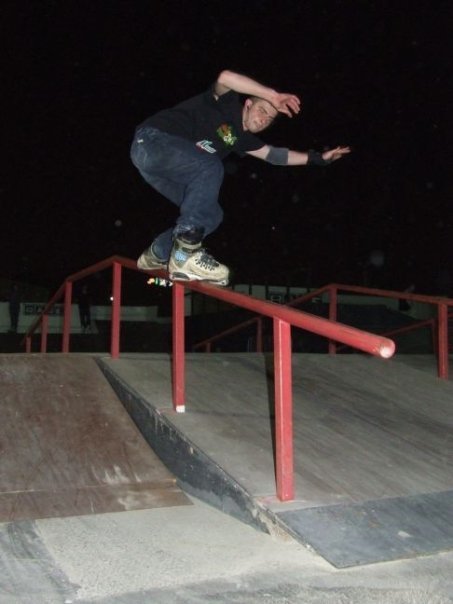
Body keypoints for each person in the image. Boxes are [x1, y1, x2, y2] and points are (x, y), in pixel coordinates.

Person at [131, 69, 350, 286]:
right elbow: (225, 77)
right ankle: (186, 252)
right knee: (210, 167)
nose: (264, 120)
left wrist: (318, 158)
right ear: (248, 105)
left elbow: (275, 156)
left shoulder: (241, 140)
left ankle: (157, 253)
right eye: (262, 110)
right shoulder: (225, 104)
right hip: (152, 142)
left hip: (160, 171)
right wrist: (272, 96)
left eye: (269, 119)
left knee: (211, 214)